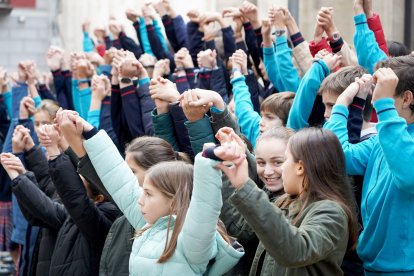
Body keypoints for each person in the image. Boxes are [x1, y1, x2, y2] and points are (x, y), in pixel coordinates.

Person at [212, 127, 358, 275]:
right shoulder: (287, 201)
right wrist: (239, 156)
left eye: (284, 160)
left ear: (300, 167)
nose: (272, 171)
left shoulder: (332, 213)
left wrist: (244, 184)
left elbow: (296, 250)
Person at [324, 55, 414, 273]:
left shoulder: (392, 130)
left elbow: (408, 176)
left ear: (406, 98)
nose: (374, 100)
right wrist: (342, 103)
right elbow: (340, 156)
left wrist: (384, 107)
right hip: (372, 263)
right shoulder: (381, 136)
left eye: (383, 94)